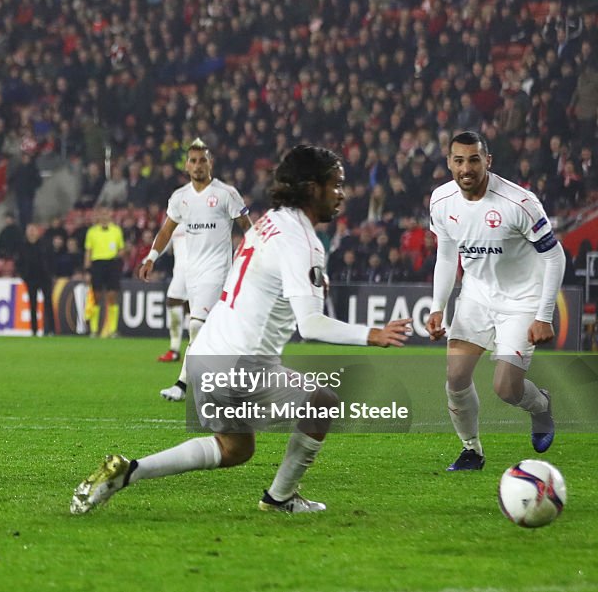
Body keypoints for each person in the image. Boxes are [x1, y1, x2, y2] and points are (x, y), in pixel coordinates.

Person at [72, 145, 411, 515]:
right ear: (312, 188)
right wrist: (372, 334)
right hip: (241, 363)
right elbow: (311, 324)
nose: (342, 194)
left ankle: (128, 471)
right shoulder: (303, 241)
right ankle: (280, 498)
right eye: (336, 185)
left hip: (205, 357)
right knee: (322, 403)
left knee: (235, 448)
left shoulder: (269, 223)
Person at [426, 131, 563, 471]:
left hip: (521, 300)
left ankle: (540, 405)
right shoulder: (442, 201)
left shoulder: (520, 203)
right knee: (455, 377)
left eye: (474, 159)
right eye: (458, 160)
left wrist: (543, 315)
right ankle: (471, 450)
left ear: (488, 160)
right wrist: (437, 306)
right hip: (475, 294)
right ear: (449, 163)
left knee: (506, 388)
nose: (466, 168)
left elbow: (555, 256)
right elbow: (446, 256)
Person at [138, 139, 252, 401]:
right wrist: (151, 258)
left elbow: (247, 227)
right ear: (186, 166)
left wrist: (254, 256)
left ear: (211, 163)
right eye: (193, 161)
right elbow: (166, 230)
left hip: (219, 271)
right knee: (213, 331)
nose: (198, 165)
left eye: (203, 160)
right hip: (193, 273)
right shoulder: (180, 198)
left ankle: (183, 385)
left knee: (197, 326)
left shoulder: (226, 194)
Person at [83, 207, 125, 338]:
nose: (104, 215)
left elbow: (121, 249)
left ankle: (112, 330)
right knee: (96, 297)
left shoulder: (116, 230)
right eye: (102, 213)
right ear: (98, 215)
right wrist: (87, 270)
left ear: (111, 214)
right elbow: (88, 252)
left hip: (112, 264)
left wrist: (117, 259)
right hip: (97, 264)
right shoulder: (92, 232)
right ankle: (94, 330)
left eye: (107, 213)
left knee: (112, 296)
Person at [16, 223, 56, 336]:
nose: (32, 232)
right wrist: (23, 275)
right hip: (30, 279)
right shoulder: (22, 246)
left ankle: (51, 330)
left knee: (48, 303)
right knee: (32, 305)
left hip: (44, 278)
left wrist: (51, 274)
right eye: (30, 230)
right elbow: (19, 262)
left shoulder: (45, 244)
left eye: (33, 230)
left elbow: (52, 260)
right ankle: (34, 330)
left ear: (38, 232)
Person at [157, 222, 189, 363]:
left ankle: (185, 350)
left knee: (191, 308)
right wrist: (148, 259)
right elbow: (163, 242)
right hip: (180, 272)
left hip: (199, 271)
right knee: (177, 303)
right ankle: (175, 349)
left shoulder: (201, 215)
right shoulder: (174, 221)